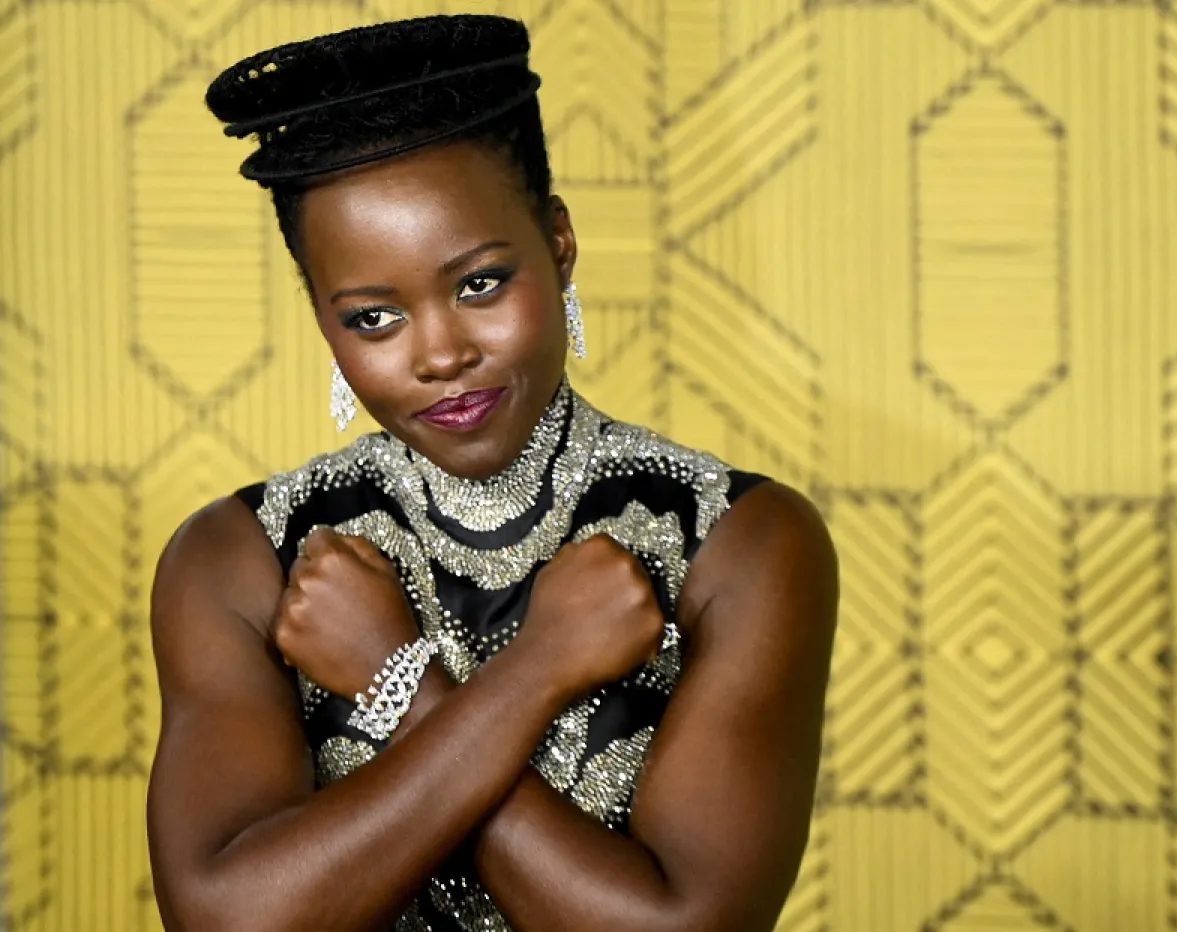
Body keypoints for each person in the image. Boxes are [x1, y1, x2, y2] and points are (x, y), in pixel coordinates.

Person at [144, 14, 839, 932]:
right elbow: (231, 922)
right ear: (321, 315)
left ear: (557, 243)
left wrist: (396, 681)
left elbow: (681, 926)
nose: (441, 353)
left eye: (479, 284)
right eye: (373, 319)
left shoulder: (740, 541)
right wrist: (537, 668)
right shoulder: (238, 559)